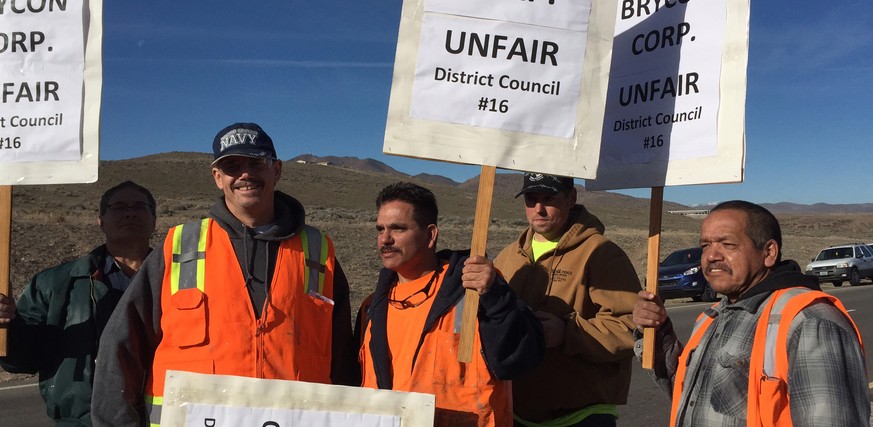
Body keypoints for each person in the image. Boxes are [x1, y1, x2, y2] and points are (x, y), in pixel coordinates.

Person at [91, 122, 358, 425]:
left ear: (277, 170)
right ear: (218, 178)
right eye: (232, 166)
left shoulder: (318, 251)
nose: (245, 174)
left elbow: (342, 358)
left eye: (256, 163)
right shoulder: (180, 247)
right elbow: (120, 346)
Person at [633, 200, 869, 425]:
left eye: (728, 244)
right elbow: (693, 398)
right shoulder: (710, 317)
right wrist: (659, 331)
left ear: (768, 253)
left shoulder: (808, 321)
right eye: (705, 245)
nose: (711, 255)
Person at [357, 182, 545, 426]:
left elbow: (522, 357)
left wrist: (495, 296)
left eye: (398, 229)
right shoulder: (372, 307)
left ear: (430, 234)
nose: (385, 239)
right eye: (380, 229)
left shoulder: (475, 287)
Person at [0, 181, 157, 426]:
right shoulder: (54, 284)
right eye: (119, 207)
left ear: (154, 220)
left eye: (139, 206)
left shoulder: (179, 279)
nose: (130, 212)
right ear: (101, 221)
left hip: (159, 416)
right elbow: (23, 360)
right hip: (82, 421)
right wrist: (9, 325)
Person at [493, 172, 642, 426]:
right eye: (531, 199)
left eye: (549, 198)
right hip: (517, 413)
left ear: (571, 197)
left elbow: (632, 328)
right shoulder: (508, 257)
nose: (538, 209)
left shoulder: (601, 254)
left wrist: (568, 333)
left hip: (582, 416)